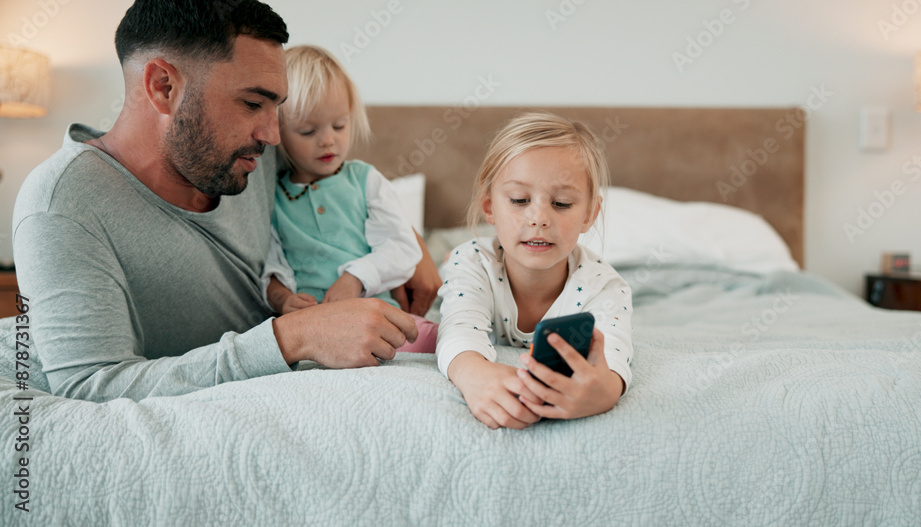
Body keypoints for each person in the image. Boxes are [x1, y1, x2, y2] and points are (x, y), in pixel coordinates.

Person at [10, 0, 439, 402]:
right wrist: (291, 338)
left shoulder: (253, 154)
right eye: (252, 103)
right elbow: (90, 386)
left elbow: (343, 184)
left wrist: (414, 242)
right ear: (163, 87)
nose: (272, 135)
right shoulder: (61, 206)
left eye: (277, 109)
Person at [437, 112, 634, 430]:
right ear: (489, 207)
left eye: (562, 203)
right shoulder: (473, 263)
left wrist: (605, 392)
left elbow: (613, 354)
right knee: (452, 269)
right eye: (519, 199)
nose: (539, 218)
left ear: (589, 215)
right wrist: (474, 374)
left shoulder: (605, 286)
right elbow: (459, 332)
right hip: (467, 266)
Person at [264, 45, 436, 353]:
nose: (328, 139)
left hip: (379, 315)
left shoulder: (365, 181)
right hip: (315, 331)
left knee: (433, 338)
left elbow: (401, 248)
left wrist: (355, 278)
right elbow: (271, 266)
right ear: (277, 130)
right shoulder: (273, 197)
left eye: (339, 125)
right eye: (307, 130)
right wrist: (282, 298)